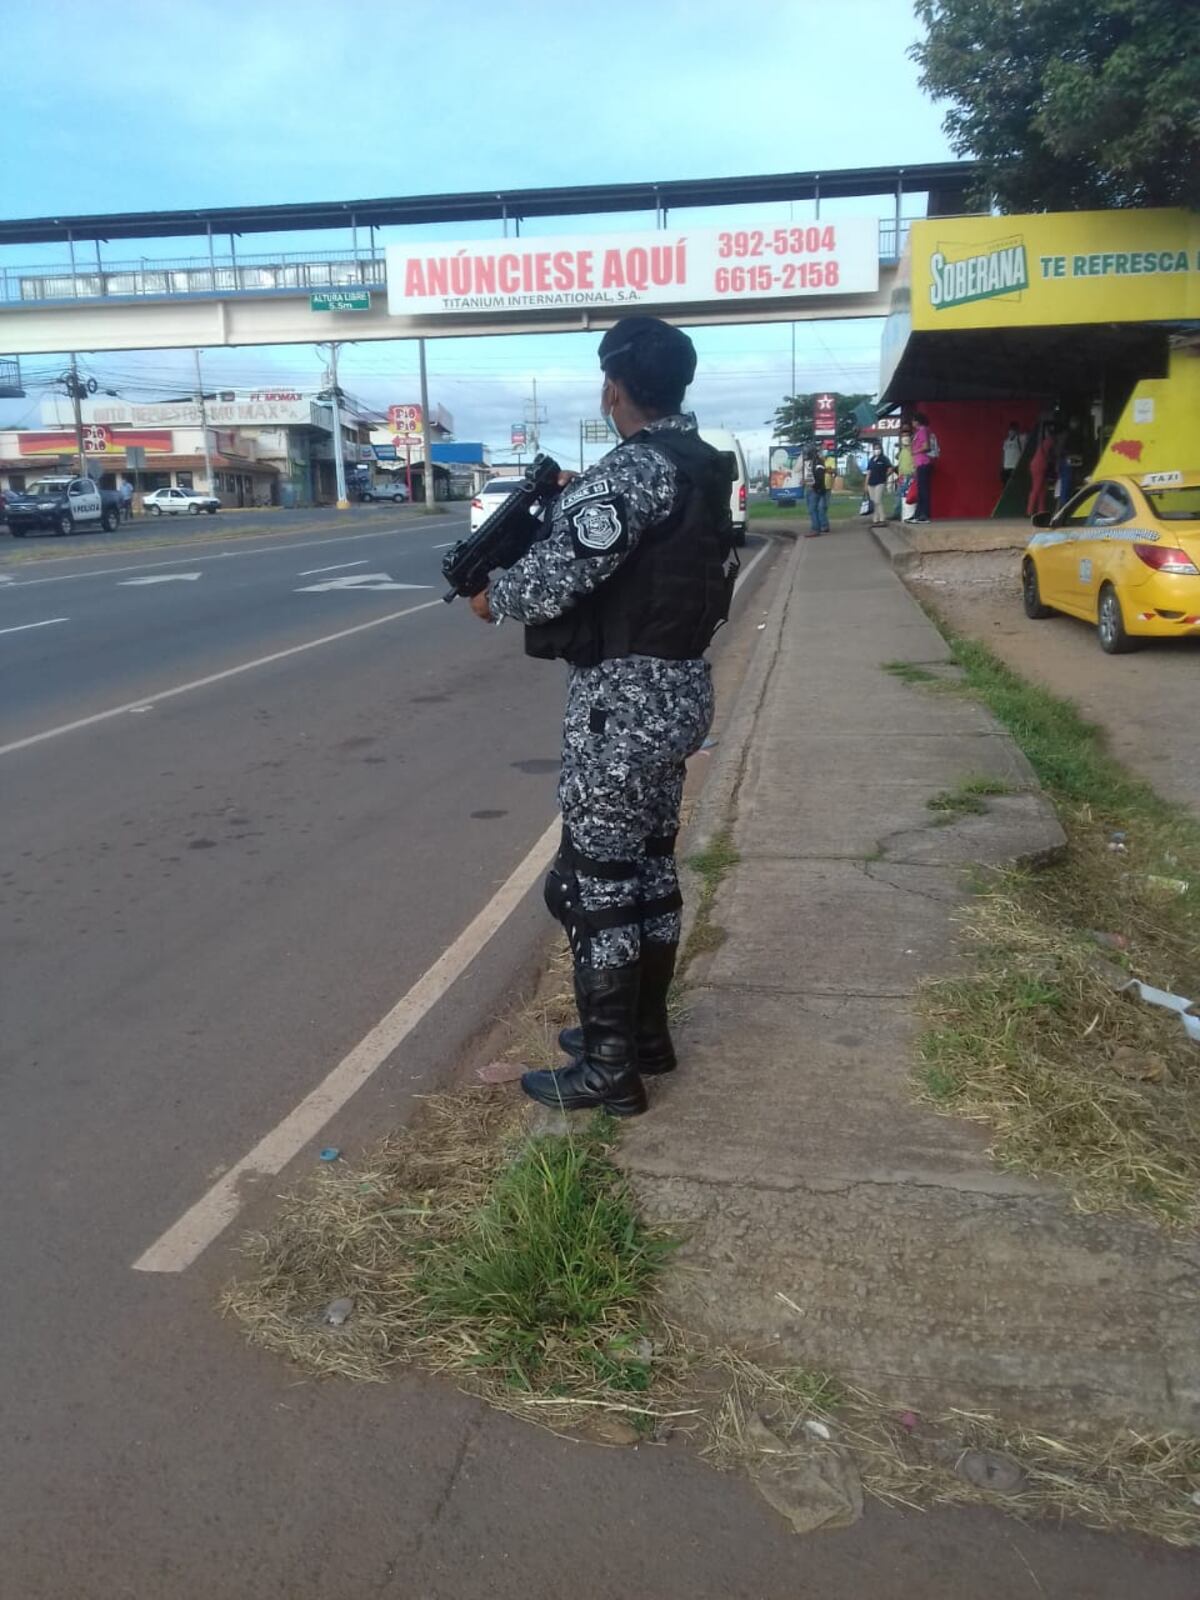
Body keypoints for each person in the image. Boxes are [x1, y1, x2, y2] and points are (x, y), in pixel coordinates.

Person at [469, 316, 735, 1117]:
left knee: (597, 883)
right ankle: (641, 1038)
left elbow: (551, 582)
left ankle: (609, 1069)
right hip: (680, 690)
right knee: (649, 867)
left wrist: (493, 597)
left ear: (613, 387)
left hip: (622, 707)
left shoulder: (633, 474)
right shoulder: (703, 464)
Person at [1027, 424, 1058, 518]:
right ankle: (1030, 511)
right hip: (1039, 466)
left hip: (1037, 465)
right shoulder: (1051, 441)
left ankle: (1041, 511)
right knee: (1037, 489)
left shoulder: (1046, 441)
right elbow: (1054, 454)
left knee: (1042, 490)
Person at [911, 411, 935, 521]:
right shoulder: (920, 432)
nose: (912, 423)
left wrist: (915, 451)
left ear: (917, 421)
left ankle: (924, 514)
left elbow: (926, 446)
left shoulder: (922, 430)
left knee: (923, 490)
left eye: (913, 420)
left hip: (923, 462)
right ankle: (918, 514)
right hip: (919, 463)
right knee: (920, 490)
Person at [865, 440, 894, 526]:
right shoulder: (871, 460)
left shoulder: (884, 459)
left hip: (880, 482)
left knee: (878, 500)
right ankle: (876, 518)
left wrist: (885, 476)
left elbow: (890, 469)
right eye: (875, 449)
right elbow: (868, 472)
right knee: (874, 501)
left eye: (878, 448)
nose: (876, 450)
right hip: (871, 483)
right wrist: (865, 484)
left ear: (881, 449)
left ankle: (882, 518)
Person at [805, 451, 830, 536]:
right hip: (815, 488)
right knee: (813, 509)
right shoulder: (814, 462)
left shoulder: (818, 463)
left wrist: (814, 485)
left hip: (816, 489)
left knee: (813, 509)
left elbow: (819, 477)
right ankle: (816, 528)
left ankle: (816, 529)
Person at [894, 426, 914, 519]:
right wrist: (899, 475)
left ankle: (909, 515)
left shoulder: (913, 448)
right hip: (902, 476)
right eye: (903, 437)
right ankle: (899, 515)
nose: (904, 438)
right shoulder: (902, 450)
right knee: (899, 496)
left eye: (906, 436)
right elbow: (900, 462)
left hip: (911, 475)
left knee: (908, 496)